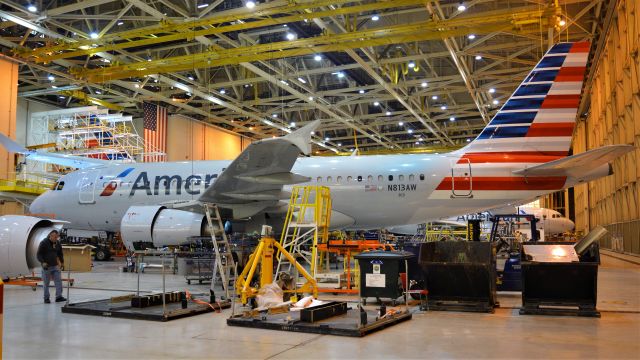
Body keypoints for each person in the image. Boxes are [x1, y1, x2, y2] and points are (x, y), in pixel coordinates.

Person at [36, 230, 66, 303]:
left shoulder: (57, 243)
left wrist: (62, 262)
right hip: (47, 266)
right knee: (46, 283)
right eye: (55, 237)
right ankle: (46, 298)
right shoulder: (44, 243)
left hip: (55, 266)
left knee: (58, 281)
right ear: (50, 236)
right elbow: (39, 254)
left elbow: (60, 254)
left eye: (57, 237)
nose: (56, 239)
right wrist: (43, 262)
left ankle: (59, 297)